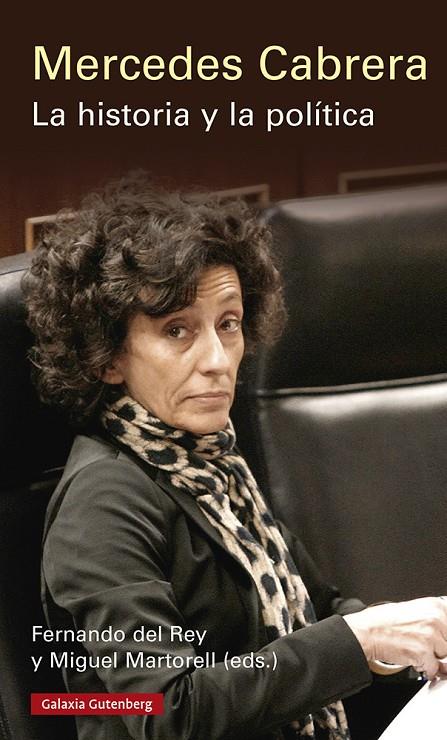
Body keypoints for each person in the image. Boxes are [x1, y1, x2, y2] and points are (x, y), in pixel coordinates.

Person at [24, 174, 447, 740]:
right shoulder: (102, 503)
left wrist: (414, 640)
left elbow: (319, 614)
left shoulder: (210, 462)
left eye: (228, 324)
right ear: (106, 357)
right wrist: (359, 641)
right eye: (177, 330)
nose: (218, 360)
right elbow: (168, 711)